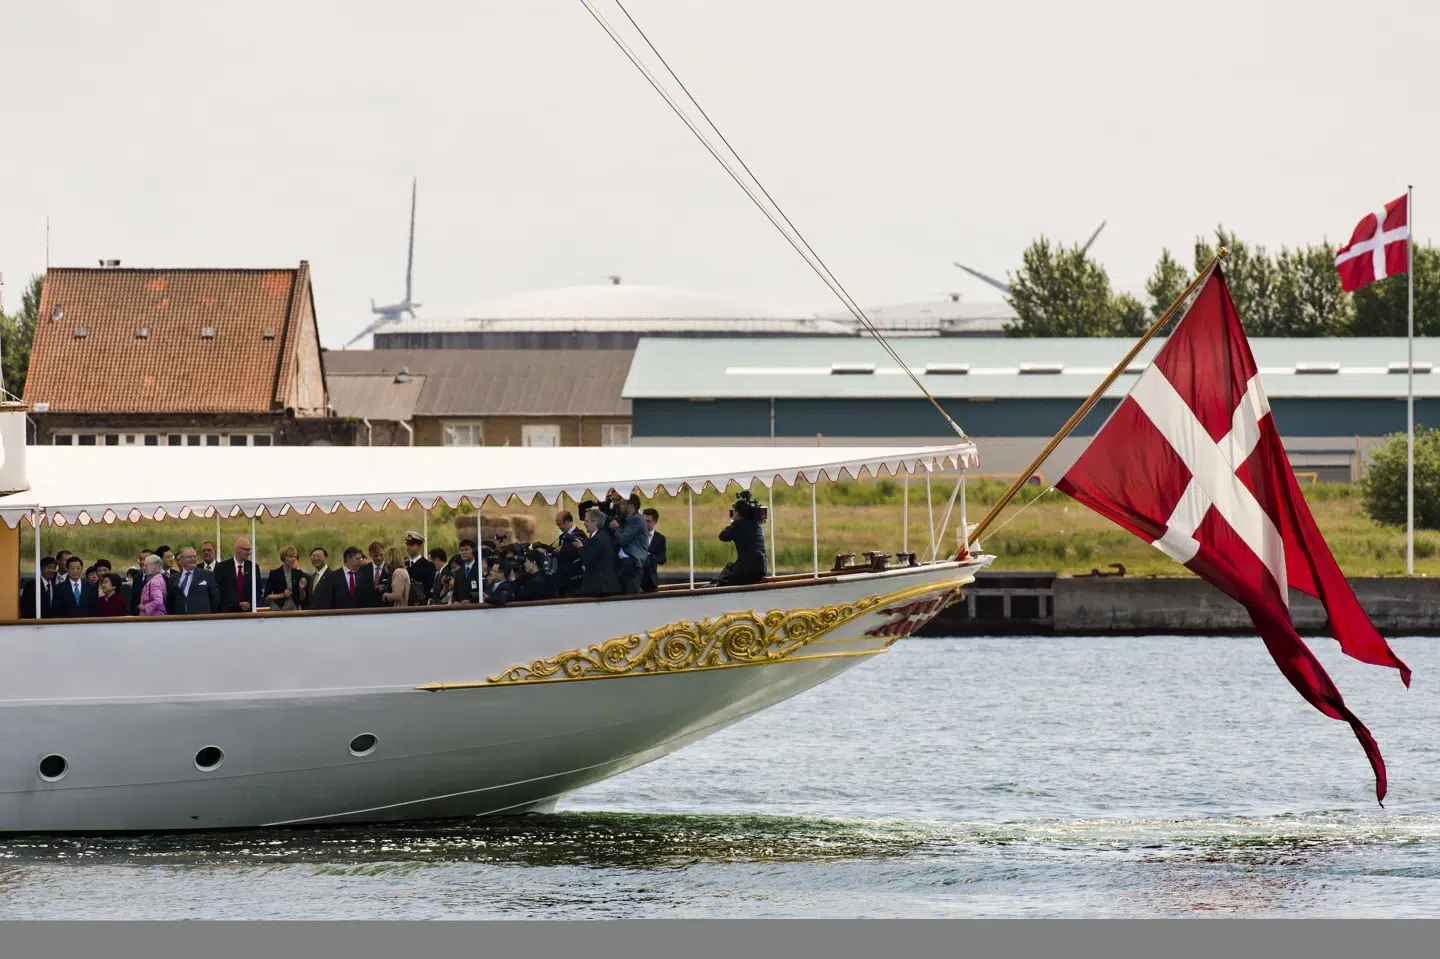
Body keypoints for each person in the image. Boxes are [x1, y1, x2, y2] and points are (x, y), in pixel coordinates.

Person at [713, 490, 768, 587]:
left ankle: (713, 588)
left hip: (746, 570)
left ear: (737, 513)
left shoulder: (737, 525)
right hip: (761, 569)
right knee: (731, 570)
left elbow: (722, 536)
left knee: (727, 571)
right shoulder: (758, 524)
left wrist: (732, 521)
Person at [610, 493, 649, 595]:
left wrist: (617, 528)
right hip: (626, 564)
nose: (620, 506)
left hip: (632, 564)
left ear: (632, 506)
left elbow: (623, 539)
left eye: (623, 504)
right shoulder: (628, 519)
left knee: (630, 595)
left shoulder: (636, 519)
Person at [578, 508, 621, 597]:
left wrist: (580, 548)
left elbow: (588, 560)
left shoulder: (597, 539)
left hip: (601, 587)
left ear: (595, 523)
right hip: (606, 585)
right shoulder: (604, 536)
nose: (584, 524)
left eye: (587, 521)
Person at [313, 546, 369, 610]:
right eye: (358, 559)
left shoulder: (362, 577)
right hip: (338, 616)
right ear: (349, 558)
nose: (360, 561)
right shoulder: (332, 577)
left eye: (361, 559)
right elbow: (327, 602)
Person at [171, 547, 222, 615]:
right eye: (189, 557)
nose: (193, 559)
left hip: (201, 618)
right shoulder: (173, 578)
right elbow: (171, 601)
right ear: (181, 559)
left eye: (194, 556)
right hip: (180, 618)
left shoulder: (207, 575)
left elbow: (215, 599)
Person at [216, 537, 257, 613]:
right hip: (226, 614)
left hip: (247, 613)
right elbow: (216, 590)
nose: (249, 552)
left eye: (250, 550)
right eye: (246, 549)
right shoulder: (222, 567)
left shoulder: (254, 567)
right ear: (238, 549)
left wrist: (250, 604)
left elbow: (258, 591)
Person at [553, 510, 586, 597]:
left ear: (567, 522)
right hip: (563, 578)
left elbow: (577, 551)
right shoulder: (563, 536)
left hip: (573, 578)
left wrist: (562, 549)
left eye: (560, 524)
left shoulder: (579, 534)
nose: (559, 527)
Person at [266, 545, 309, 612]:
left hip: (294, 610)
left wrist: (302, 589)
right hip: (277, 610)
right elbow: (267, 597)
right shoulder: (274, 573)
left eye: (294, 557)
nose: (293, 559)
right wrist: (282, 595)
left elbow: (302, 598)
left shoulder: (298, 573)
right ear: (284, 557)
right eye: (290, 557)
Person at [641, 508, 667, 593]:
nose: (645, 523)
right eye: (644, 520)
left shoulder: (660, 538)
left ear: (655, 522)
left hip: (651, 581)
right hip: (635, 580)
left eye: (648, 521)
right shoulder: (635, 535)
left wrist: (649, 556)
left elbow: (662, 559)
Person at [403, 532, 436, 598]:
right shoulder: (404, 564)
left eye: (411, 545)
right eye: (407, 544)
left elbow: (428, 588)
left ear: (419, 545)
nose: (408, 547)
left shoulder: (427, 565)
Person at [452, 539, 481, 604]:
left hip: (477, 609)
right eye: (461, 550)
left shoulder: (480, 569)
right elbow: (455, 592)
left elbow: (485, 591)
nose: (463, 552)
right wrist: (454, 601)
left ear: (474, 551)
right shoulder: (459, 571)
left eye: (466, 549)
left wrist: (471, 601)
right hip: (461, 610)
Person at [363, 541, 390, 609]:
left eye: (381, 555)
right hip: (368, 609)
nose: (378, 558)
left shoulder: (390, 569)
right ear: (370, 555)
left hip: (385, 608)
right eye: (375, 555)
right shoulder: (363, 570)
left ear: (384, 552)